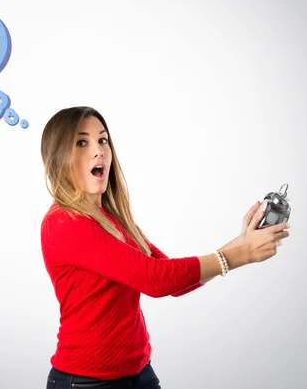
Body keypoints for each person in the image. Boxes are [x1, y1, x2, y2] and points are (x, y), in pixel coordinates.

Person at [39, 106, 290, 389]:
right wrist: (241, 255)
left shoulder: (112, 220)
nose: (99, 151)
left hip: (139, 373)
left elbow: (173, 280)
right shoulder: (64, 223)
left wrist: (243, 242)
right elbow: (155, 279)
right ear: (58, 157)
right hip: (86, 383)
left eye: (103, 140)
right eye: (81, 142)